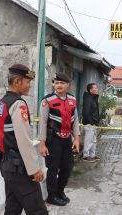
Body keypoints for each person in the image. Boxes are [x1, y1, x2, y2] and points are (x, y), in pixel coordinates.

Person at [0, 64, 48, 215]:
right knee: (38, 210)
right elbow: (24, 140)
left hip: (6, 165)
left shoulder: (2, 102)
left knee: (12, 208)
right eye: (27, 82)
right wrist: (34, 169)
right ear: (17, 81)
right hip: (19, 168)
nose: (29, 86)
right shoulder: (18, 104)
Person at [39, 73, 80, 206]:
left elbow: (75, 120)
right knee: (52, 169)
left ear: (67, 85)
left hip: (67, 140)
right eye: (56, 83)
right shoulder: (47, 100)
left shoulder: (72, 99)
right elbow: (43, 122)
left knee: (67, 168)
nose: (59, 85)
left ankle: (60, 191)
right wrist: (42, 143)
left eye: (61, 83)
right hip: (53, 140)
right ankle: (51, 196)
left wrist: (77, 138)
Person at [82, 83, 100, 163]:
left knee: (94, 140)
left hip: (94, 123)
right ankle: (86, 156)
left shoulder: (93, 98)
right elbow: (86, 112)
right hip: (90, 123)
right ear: (90, 90)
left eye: (96, 88)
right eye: (95, 88)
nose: (97, 89)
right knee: (88, 140)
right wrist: (91, 122)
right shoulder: (88, 98)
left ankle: (92, 155)